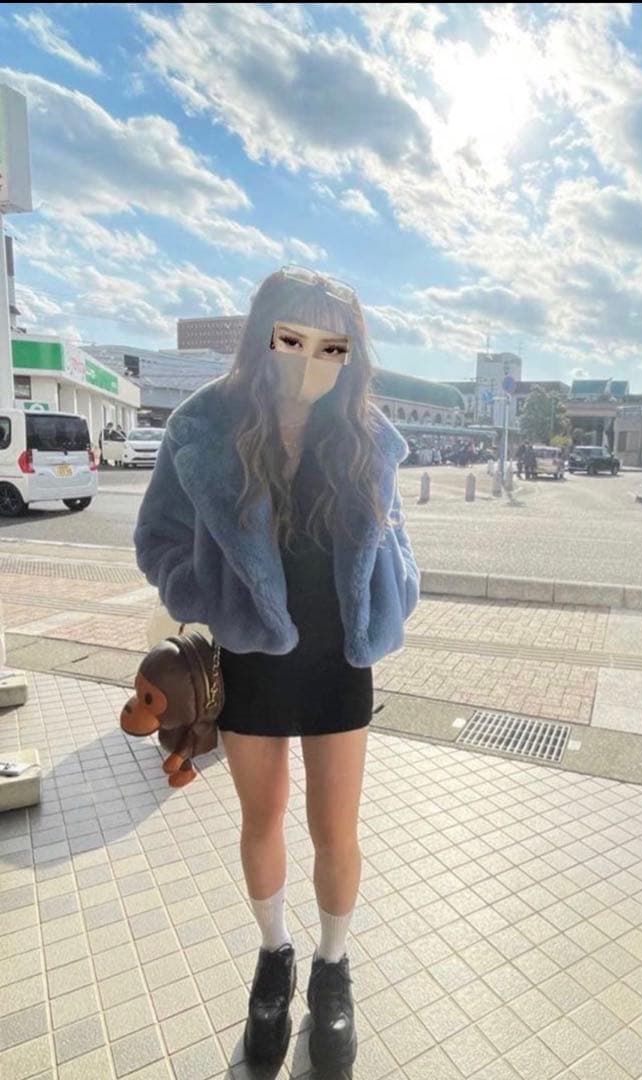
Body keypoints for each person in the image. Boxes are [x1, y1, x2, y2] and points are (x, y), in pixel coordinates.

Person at [134, 266, 420, 1071]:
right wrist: (209, 598)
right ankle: (274, 960)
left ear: (350, 354)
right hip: (251, 657)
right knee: (261, 819)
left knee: (337, 830)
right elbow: (157, 538)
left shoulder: (363, 432)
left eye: (332, 345)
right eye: (294, 338)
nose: (311, 358)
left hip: (339, 658)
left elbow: (395, 541)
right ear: (264, 336)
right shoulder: (206, 425)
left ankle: (333, 969)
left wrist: (392, 597)